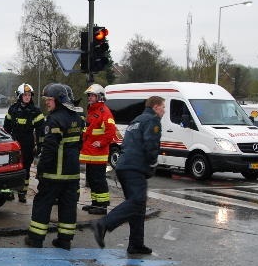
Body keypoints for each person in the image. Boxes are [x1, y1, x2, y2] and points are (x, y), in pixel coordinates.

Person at [90, 95, 165, 255]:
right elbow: (151, 144)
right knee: (137, 201)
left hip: (124, 166)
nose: (164, 111)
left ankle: (136, 244)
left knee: (138, 206)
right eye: (163, 107)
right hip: (135, 167)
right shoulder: (152, 120)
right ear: (156, 107)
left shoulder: (136, 120)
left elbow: (125, 143)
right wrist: (153, 163)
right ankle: (103, 224)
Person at [26, 83, 83, 250]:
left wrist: (41, 170)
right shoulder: (78, 118)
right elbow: (80, 144)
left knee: (42, 204)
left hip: (53, 174)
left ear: (58, 100)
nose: (47, 103)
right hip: (72, 174)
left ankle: (36, 239)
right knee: (68, 206)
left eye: (49, 100)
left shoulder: (54, 119)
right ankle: (64, 240)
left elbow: (49, 148)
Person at [4, 83, 44, 203]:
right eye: (25, 95)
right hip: (14, 143)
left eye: (29, 95)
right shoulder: (12, 109)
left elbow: (41, 130)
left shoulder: (35, 111)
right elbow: (6, 128)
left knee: (26, 169)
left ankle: (22, 193)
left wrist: (39, 145)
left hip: (28, 144)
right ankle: (8, 192)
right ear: (19, 96)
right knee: (10, 168)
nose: (28, 97)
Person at [79, 84, 116, 215]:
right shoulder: (92, 111)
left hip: (98, 154)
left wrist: (100, 143)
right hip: (90, 153)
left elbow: (111, 131)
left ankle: (102, 206)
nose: (89, 97)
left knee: (98, 180)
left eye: (92, 95)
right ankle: (95, 203)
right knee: (91, 179)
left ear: (99, 97)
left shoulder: (104, 112)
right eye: (89, 95)